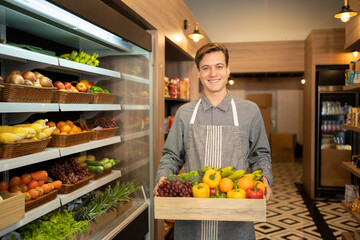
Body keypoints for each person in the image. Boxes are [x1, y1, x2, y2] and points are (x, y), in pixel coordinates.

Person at [153, 42, 273, 240]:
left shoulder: (249, 111)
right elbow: (171, 156)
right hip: (192, 218)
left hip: (237, 218)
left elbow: (260, 154)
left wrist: (266, 180)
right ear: (199, 73)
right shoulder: (184, 113)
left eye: (219, 66)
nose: (212, 73)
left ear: (227, 70)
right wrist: (163, 177)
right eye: (205, 68)